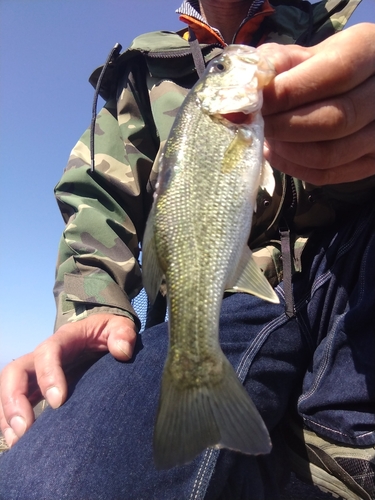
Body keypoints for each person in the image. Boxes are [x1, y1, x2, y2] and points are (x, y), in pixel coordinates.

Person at [0, 0, 374, 498]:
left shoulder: (335, 30)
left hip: (352, 275)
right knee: (50, 480)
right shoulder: (144, 74)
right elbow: (96, 198)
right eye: (223, 66)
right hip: (227, 296)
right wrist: (90, 307)